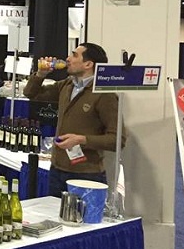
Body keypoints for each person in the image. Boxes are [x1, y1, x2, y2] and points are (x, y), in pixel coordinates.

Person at [23, 43, 123, 197]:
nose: (68, 59)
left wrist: (82, 140)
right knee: (54, 211)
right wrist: (40, 75)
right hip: (57, 169)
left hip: (86, 174)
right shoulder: (67, 85)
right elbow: (31, 93)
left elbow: (118, 139)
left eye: (74, 55)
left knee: (83, 213)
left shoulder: (104, 94)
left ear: (88, 64)